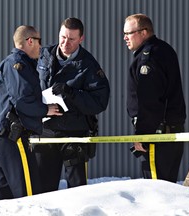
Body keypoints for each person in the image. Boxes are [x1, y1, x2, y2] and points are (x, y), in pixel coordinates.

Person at [0, 25, 62, 201]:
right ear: (30, 41)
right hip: (11, 135)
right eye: (39, 41)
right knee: (29, 193)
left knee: (5, 195)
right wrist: (46, 109)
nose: (41, 46)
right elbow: (22, 100)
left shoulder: (5, 64)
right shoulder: (18, 65)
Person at [34, 17, 110, 192]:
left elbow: (99, 102)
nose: (65, 43)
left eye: (71, 39)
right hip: (46, 132)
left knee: (77, 191)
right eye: (63, 37)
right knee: (43, 190)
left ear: (81, 39)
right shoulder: (43, 55)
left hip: (74, 135)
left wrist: (72, 93)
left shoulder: (88, 65)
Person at [123, 14, 186, 182]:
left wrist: (142, 135)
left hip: (157, 136)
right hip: (170, 132)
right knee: (166, 187)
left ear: (143, 32)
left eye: (129, 33)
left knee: (156, 190)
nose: (125, 38)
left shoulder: (148, 57)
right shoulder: (164, 49)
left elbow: (149, 101)